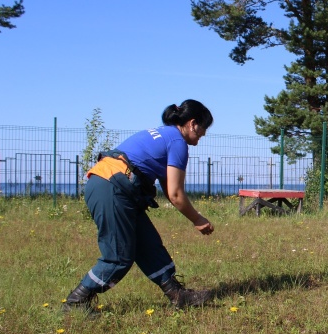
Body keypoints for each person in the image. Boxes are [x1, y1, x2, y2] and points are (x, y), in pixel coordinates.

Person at [64, 100, 215, 310]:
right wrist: (198, 219)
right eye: (203, 128)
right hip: (113, 188)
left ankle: (177, 294)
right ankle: (75, 302)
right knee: (119, 256)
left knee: (148, 243)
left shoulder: (164, 134)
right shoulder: (177, 142)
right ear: (192, 123)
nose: (203, 134)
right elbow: (175, 194)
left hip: (112, 186)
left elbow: (168, 186)